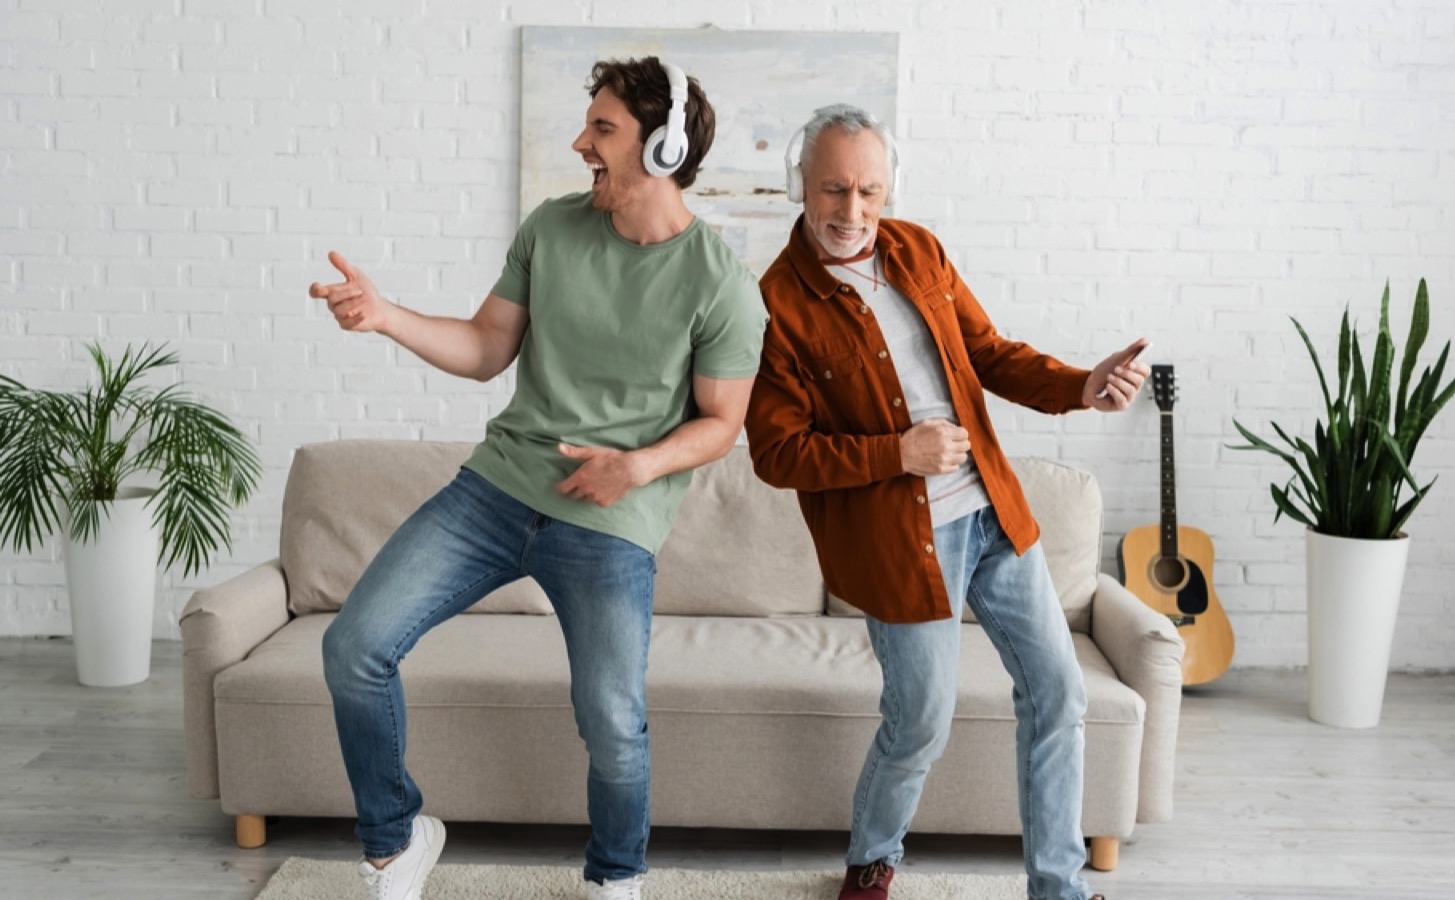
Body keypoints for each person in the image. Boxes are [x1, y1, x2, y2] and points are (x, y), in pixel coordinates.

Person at [308, 57, 766, 900]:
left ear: (662, 150)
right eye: (586, 124)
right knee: (354, 646)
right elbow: (486, 348)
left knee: (611, 723)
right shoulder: (552, 229)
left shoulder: (724, 285)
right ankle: (396, 838)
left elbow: (721, 424)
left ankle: (614, 879)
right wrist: (386, 318)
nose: (579, 142)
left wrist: (638, 465)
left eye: (603, 130)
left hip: (610, 520)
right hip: (493, 493)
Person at [744, 104, 1147, 900]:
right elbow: (776, 453)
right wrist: (898, 454)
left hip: (995, 516)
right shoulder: (776, 303)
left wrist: (1082, 386)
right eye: (832, 190)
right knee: (920, 721)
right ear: (801, 181)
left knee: (1059, 695)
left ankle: (1058, 888)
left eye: (868, 191)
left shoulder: (918, 249)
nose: (851, 213)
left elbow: (989, 354)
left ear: (888, 189)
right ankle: (871, 860)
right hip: (901, 545)